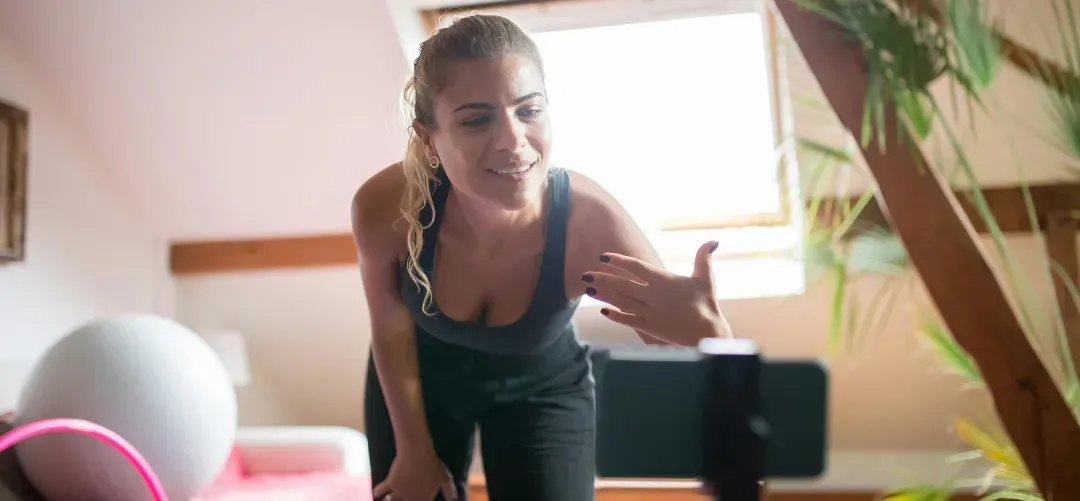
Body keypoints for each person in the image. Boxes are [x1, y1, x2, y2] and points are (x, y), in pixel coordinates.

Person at [350, 14, 732, 501]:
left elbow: (687, 368)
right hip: (416, 384)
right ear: (429, 139)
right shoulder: (386, 208)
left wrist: (713, 335)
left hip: (542, 390)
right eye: (476, 119)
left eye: (528, 110)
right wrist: (414, 453)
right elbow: (388, 328)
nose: (512, 140)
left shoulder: (590, 224)